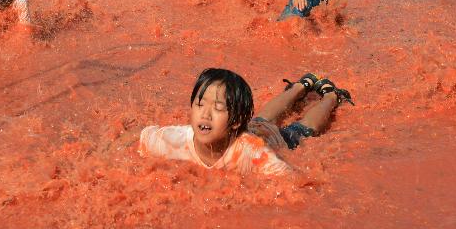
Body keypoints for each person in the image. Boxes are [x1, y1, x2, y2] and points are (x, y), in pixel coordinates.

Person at [139, 68, 352, 175]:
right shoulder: (173, 139)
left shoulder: (253, 153)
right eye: (200, 104)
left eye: (218, 108)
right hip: (251, 128)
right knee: (262, 119)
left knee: (303, 129)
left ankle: (332, 96)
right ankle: (300, 86)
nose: (205, 114)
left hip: (272, 140)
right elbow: (138, 137)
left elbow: (291, 179)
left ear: (234, 121)